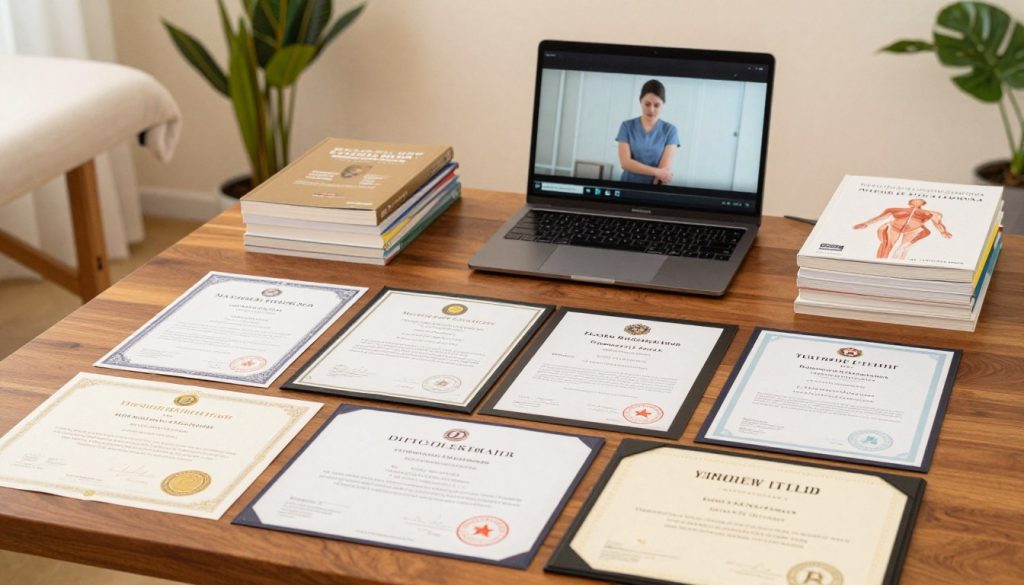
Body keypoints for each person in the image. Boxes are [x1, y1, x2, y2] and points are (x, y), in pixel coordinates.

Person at [615, 79, 680, 184]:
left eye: (656, 105)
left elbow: (663, 172)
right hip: (626, 185)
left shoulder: (670, 131)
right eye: (647, 104)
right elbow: (625, 163)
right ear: (640, 101)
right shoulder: (626, 126)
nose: (651, 110)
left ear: (663, 103)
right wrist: (657, 172)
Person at [853, 198, 952, 259]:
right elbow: (880, 217)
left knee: (903, 248)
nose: (917, 200)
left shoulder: (931, 213)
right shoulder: (894, 209)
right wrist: (866, 223)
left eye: (919, 199)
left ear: (923, 203)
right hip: (894, 227)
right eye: (914, 199)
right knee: (887, 245)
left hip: (913, 230)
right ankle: (879, 263)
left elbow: (938, 223)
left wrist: (943, 232)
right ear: (909, 203)